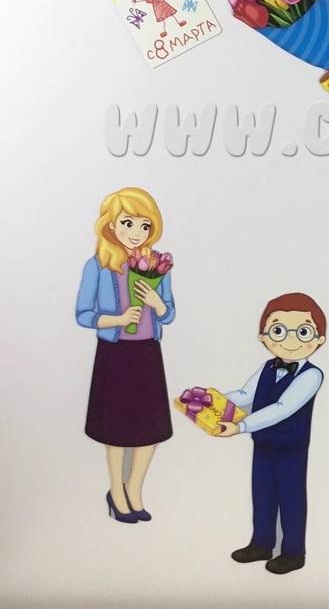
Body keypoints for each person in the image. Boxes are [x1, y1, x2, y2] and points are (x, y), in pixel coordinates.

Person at [75, 187, 175, 523]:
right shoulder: (98, 265)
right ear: (111, 225)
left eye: (145, 225)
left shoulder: (157, 264)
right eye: (128, 223)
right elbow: (83, 314)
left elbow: (170, 312)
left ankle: (134, 487)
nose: (136, 232)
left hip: (147, 352)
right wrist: (117, 320)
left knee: (151, 428)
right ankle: (116, 491)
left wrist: (157, 304)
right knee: (116, 428)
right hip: (115, 354)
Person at [214, 292, 326, 575]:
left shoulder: (311, 375)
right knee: (262, 494)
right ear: (263, 336)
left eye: (302, 332)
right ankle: (261, 544)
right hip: (263, 443)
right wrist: (213, 399)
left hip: (291, 447)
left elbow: (282, 408)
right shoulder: (267, 367)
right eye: (278, 331)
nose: (290, 340)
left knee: (291, 498)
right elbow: (245, 394)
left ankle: (293, 552)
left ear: (319, 339)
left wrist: (240, 426)